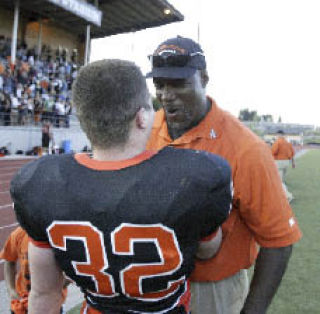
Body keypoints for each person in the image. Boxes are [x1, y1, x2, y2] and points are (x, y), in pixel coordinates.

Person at [11, 59, 233, 314]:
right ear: (141, 118)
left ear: (84, 120)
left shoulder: (42, 183)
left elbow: (45, 292)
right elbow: (207, 250)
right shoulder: (197, 176)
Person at [146, 36, 302, 314]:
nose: (167, 95)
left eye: (179, 83)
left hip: (211, 290)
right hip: (153, 283)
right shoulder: (146, 128)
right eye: (160, 84)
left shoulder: (246, 148)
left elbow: (279, 242)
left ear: (204, 79)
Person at [0, 226, 68, 314]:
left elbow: (72, 271)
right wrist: (11, 290)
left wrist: (56, 288)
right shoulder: (19, 233)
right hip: (22, 302)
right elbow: (9, 260)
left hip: (50, 303)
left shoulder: (57, 235)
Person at [271, 130, 296, 202]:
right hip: (286, 162)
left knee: (279, 181)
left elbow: (273, 152)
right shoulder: (288, 143)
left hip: (279, 162)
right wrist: (293, 163)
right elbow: (292, 153)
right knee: (281, 180)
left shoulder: (277, 142)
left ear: (278, 135)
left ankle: (288, 196)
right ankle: (281, 194)